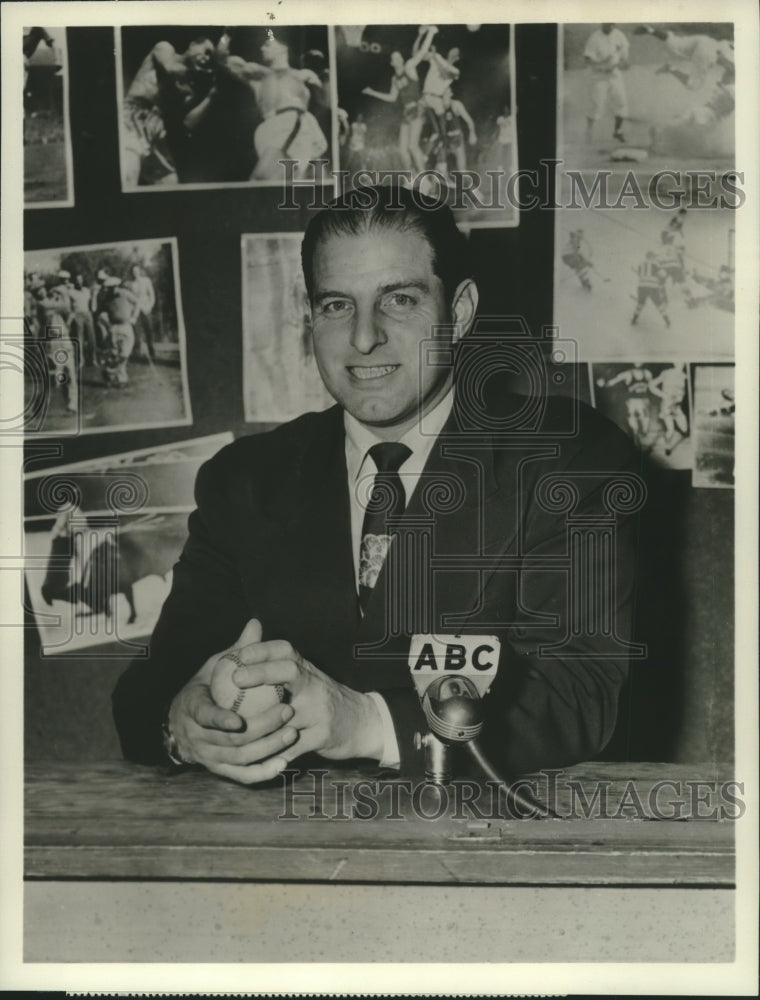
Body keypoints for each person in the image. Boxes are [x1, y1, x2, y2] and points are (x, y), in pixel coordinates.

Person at [112, 184, 640, 787]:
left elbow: (580, 697)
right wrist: (185, 723)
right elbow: (150, 692)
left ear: (460, 311)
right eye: (337, 305)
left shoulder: (567, 460)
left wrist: (362, 723)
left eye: (399, 300)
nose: (364, 338)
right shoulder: (246, 479)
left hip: (486, 848)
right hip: (285, 856)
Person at [215, 31, 328, 181]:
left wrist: (322, 76)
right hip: (269, 130)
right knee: (281, 190)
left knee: (259, 182)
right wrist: (228, 32)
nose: (262, 48)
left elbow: (327, 103)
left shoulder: (302, 75)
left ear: (283, 48)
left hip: (290, 124)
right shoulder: (256, 72)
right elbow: (221, 58)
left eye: (267, 44)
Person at [122, 34, 222, 186]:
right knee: (128, 176)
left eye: (211, 58)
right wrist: (210, 71)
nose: (207, 59)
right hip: (133, 115)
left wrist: (210, 96)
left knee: (170, 182)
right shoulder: (165, 48)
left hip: (156, 126)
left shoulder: (188, 86)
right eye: (206, 52)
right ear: (193, 45)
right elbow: (169, 69)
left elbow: (186, 123)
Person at [361, 26, 438, 173]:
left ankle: (425, 179)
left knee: (412, 146)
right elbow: (392, 97)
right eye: (394, 57)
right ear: (392, 62)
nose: (397, 58)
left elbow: (421, 53)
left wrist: (431, 33)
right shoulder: (394, 78)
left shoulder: (409, 67)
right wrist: (372, 92)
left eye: (399, 56)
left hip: (417, 109)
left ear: (402, 60)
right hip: (406, 112)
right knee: (402, 150)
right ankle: (412, 177)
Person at [583, 23, 630, 144]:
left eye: (612, 24)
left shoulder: (619, 35)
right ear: (602, 24)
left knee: (621, 102)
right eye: (608, 24)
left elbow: (624, 54)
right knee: (597, 105)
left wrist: (624, 62)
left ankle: (618, 131)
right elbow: (587, 58)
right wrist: (601, 61)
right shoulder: (595, 37)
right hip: (599, 75)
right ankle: (589, 132)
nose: (610, 27)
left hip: (614, 74)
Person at [124, 263, 157, 361]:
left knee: (149, 331)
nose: (135, 273)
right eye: (133, 272)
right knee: (136, 332)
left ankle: (152, 352)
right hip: (135, 311)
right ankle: (137, 354)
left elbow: (152, 295)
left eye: (137, 271)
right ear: (132, 273)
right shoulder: (130, 284)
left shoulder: (146, 281)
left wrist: (150, 306)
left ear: (140, 271)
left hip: (146, 309)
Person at [631, 251, 670, 327]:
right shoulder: (655, 264)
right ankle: (667, 321)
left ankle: (634, 320)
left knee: (640, 304)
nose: (655, 258)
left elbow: (640, 275)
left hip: (642, 287)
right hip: (652, 287)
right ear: (651, 257)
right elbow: (663, 275)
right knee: (659, 304)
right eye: (654, 256)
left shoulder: (640, 265)